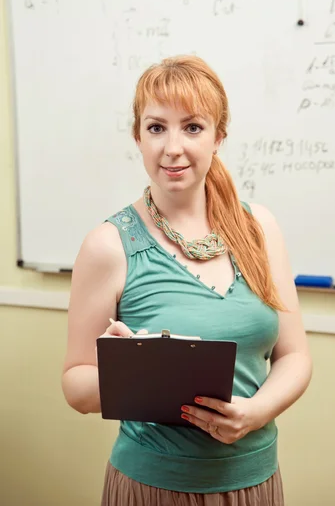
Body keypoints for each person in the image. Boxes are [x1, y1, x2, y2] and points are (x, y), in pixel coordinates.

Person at [62, 55, 312, 505]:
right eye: (157, 128)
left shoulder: (261, 228)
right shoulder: (108, 246)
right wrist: (129, 369)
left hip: (255, 481)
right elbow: (76, 386)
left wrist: (253, 414)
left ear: (219, 137)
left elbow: (294, 358)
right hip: (153, 487)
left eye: (192, 127)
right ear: (138, 136)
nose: (172, 147)